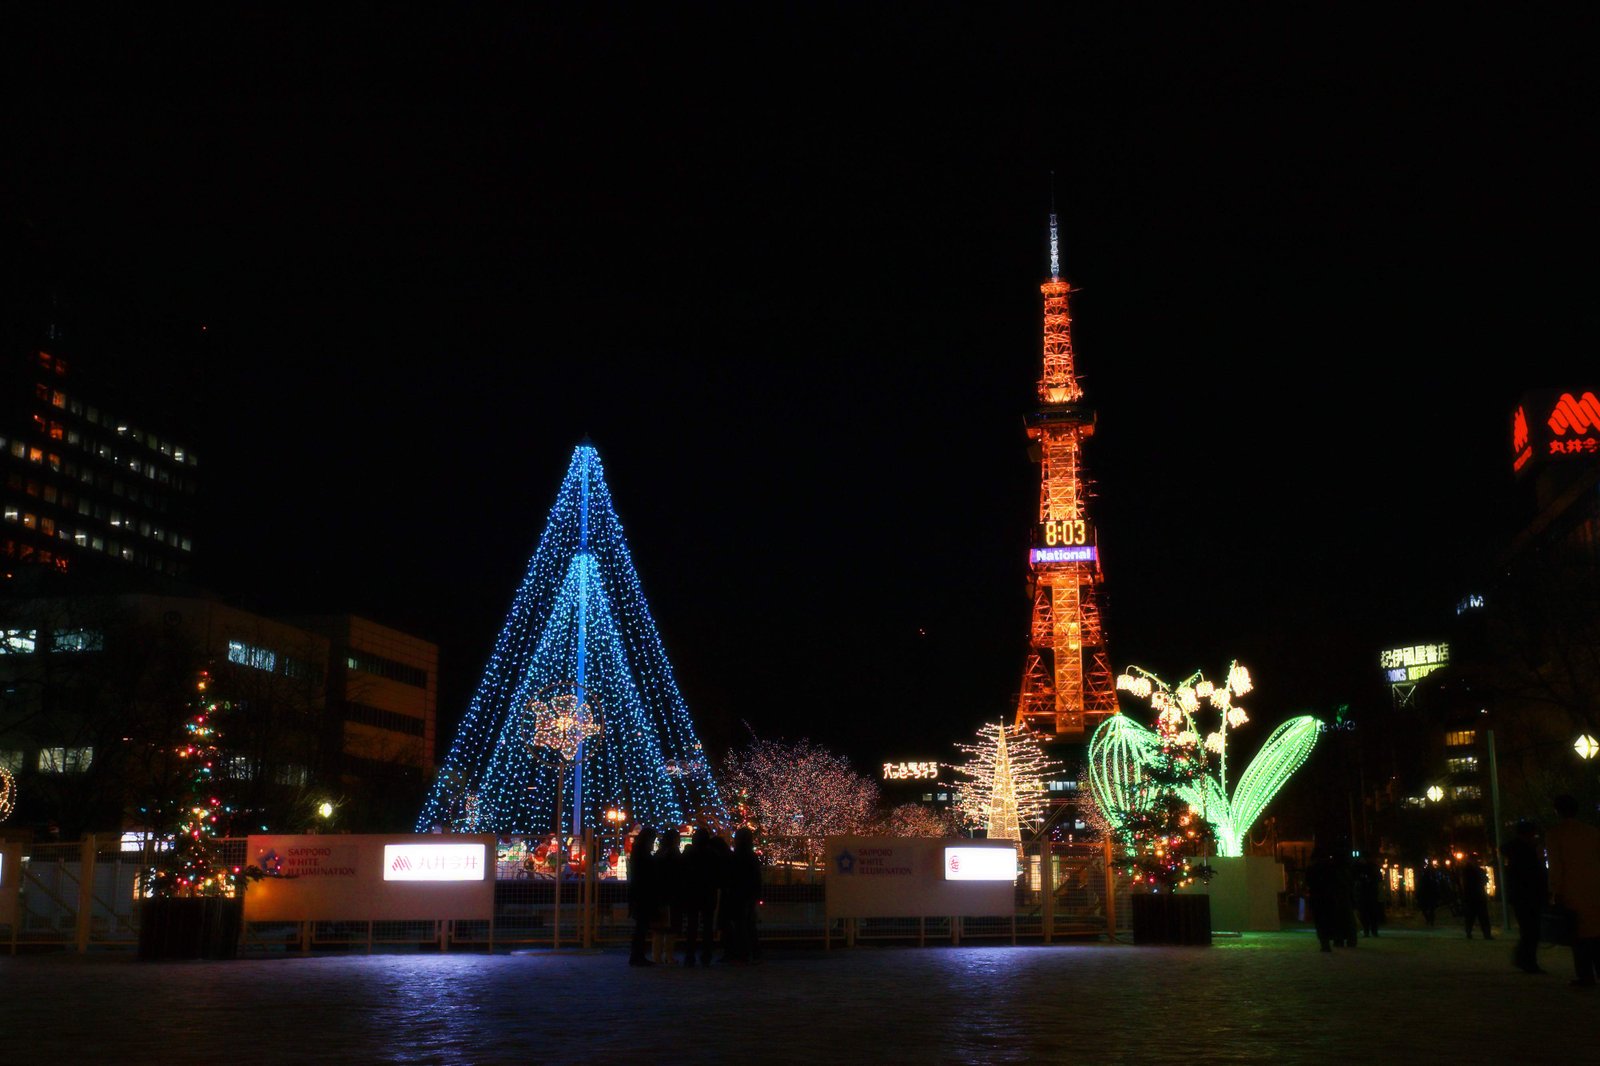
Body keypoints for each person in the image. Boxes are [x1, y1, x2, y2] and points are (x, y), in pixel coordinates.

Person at [1545, 793, 1600, 986]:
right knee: (1597, 934)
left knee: (1580, 937)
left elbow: (1556, 867)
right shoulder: (1592, 832)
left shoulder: (1555, 834)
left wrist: (1555, 891)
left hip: (1571, 891)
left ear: (1557, 811)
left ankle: (1585, 976)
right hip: (1595, 890)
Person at [1503, 818, 1549, 974]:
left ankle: (1525, 959)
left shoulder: (1515, 852)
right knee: (1531, 931)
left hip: (1521, 896)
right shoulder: (1527, 852)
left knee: (1528, 930)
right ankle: (1527, 960)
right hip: (1529, 895)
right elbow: (1534, 874)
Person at [680, 826, 721, 967]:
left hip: (692, 892)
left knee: (692, 925)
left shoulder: (689, 853)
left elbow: (683, 871)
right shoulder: (713, 854)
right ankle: (706, 955)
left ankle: (689, 955)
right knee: (708, 926)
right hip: (708, 893)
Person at [1306, 844, 1356, 952]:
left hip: (1318, 898)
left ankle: (1326, 943)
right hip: (1331, 898)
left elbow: (1309, 882)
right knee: (1337, 919)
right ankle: (1341, 939)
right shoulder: (1333, 868)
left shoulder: (1313, 868)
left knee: (1321, 922)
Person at [626, 826, 658, 967]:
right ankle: (638, 955)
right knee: (641, 926)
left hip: (638, 891)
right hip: (643, 893)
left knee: (640, 926)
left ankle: (637, 955)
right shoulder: (643, 853)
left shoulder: (637, 851)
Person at [652, 826, 683, 964]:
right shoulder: (674, 854)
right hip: (672, 894)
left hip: (659, 893)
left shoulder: (659, 854)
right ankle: (668, 955)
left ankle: (656, 955)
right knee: (671, 927)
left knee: (659, 927)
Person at [1460, 855, 1492, 940]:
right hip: (1475, 896)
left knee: (1474, 916)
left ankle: (1474, 932)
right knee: (1479, 916)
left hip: (1474, 896)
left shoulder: (1468, 870)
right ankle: (1484, 933)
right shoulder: (1469, 871)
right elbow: (1483, 880)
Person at [1353, 856, 1384, 938]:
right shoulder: (1369, 868)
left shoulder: (1363, 869)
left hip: (1367, 895)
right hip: (1367, 895)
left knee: (1368, 914)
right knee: (1369, 914)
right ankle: (1371, 931)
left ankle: (1370, 931)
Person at [1416, 862, 1441, 927]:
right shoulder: (1429, 878)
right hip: (1428, 895)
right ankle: (1429, 919)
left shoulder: (1429, 878)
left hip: (1428, 895)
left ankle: (1430, 920)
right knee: (1429, 909)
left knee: (1429, 909)